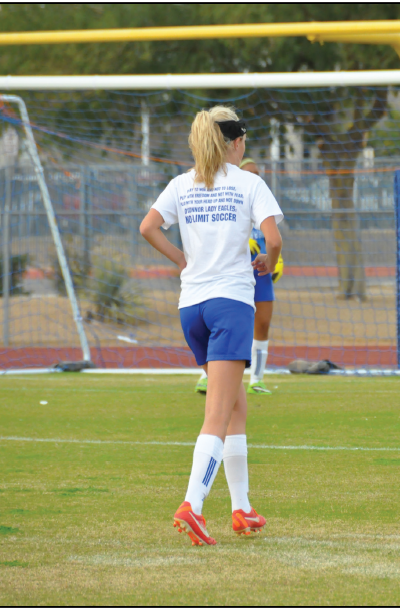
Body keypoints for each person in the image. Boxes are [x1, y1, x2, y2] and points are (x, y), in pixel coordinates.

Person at [140, 106, 283, 546]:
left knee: (236, 407)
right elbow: (273, 239)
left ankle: (241, 509)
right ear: (236, 143)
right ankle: (193, 504)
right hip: (230, 306)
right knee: (217, 415)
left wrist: (183, 260)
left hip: (192, 310)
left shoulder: (182, 183)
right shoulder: (249, 182)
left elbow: (148, 227)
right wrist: (268, 263)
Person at [194, 156, 282, 396]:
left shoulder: (263, 204)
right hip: (231, 276)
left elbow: (274, 241)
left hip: (260, 276)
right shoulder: (229, 201)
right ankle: (206, 376)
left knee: (262, 325)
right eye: (249, 172)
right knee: (224, 328)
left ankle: (257, 379)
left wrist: (276, 262)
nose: (254, 177)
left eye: (257, 173)